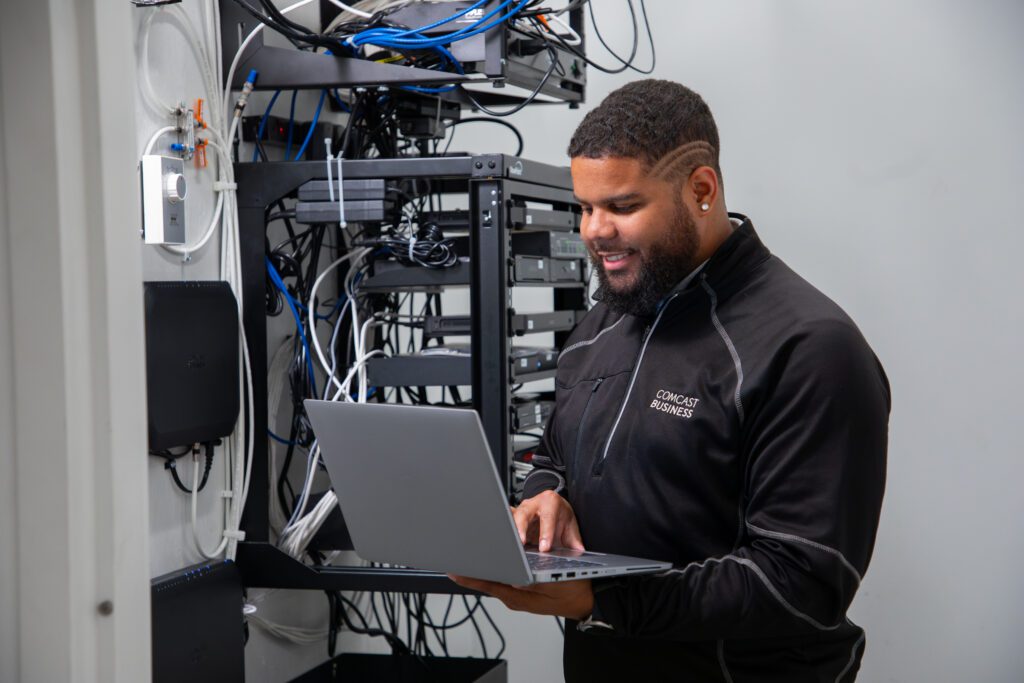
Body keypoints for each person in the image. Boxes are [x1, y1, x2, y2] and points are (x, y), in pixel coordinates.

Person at [451, 79, 889, 682]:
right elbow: (557, 453)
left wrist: (602, 602)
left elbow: (801, 582)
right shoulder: (604, 323)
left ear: (701, 189)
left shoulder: (809, 347)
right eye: (585, 206)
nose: (595, 231)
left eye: (623, 207)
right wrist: (545, 499)